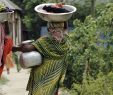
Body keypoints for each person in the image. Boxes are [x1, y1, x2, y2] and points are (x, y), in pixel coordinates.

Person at [12, 22, 69, 95]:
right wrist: (63, 17)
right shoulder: (66, 43)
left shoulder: (45, 41)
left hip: (41, 81)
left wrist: (17, 48)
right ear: (63, 28)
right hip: (54, 81)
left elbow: (27, 49)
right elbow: (66, 28)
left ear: (49, 29)